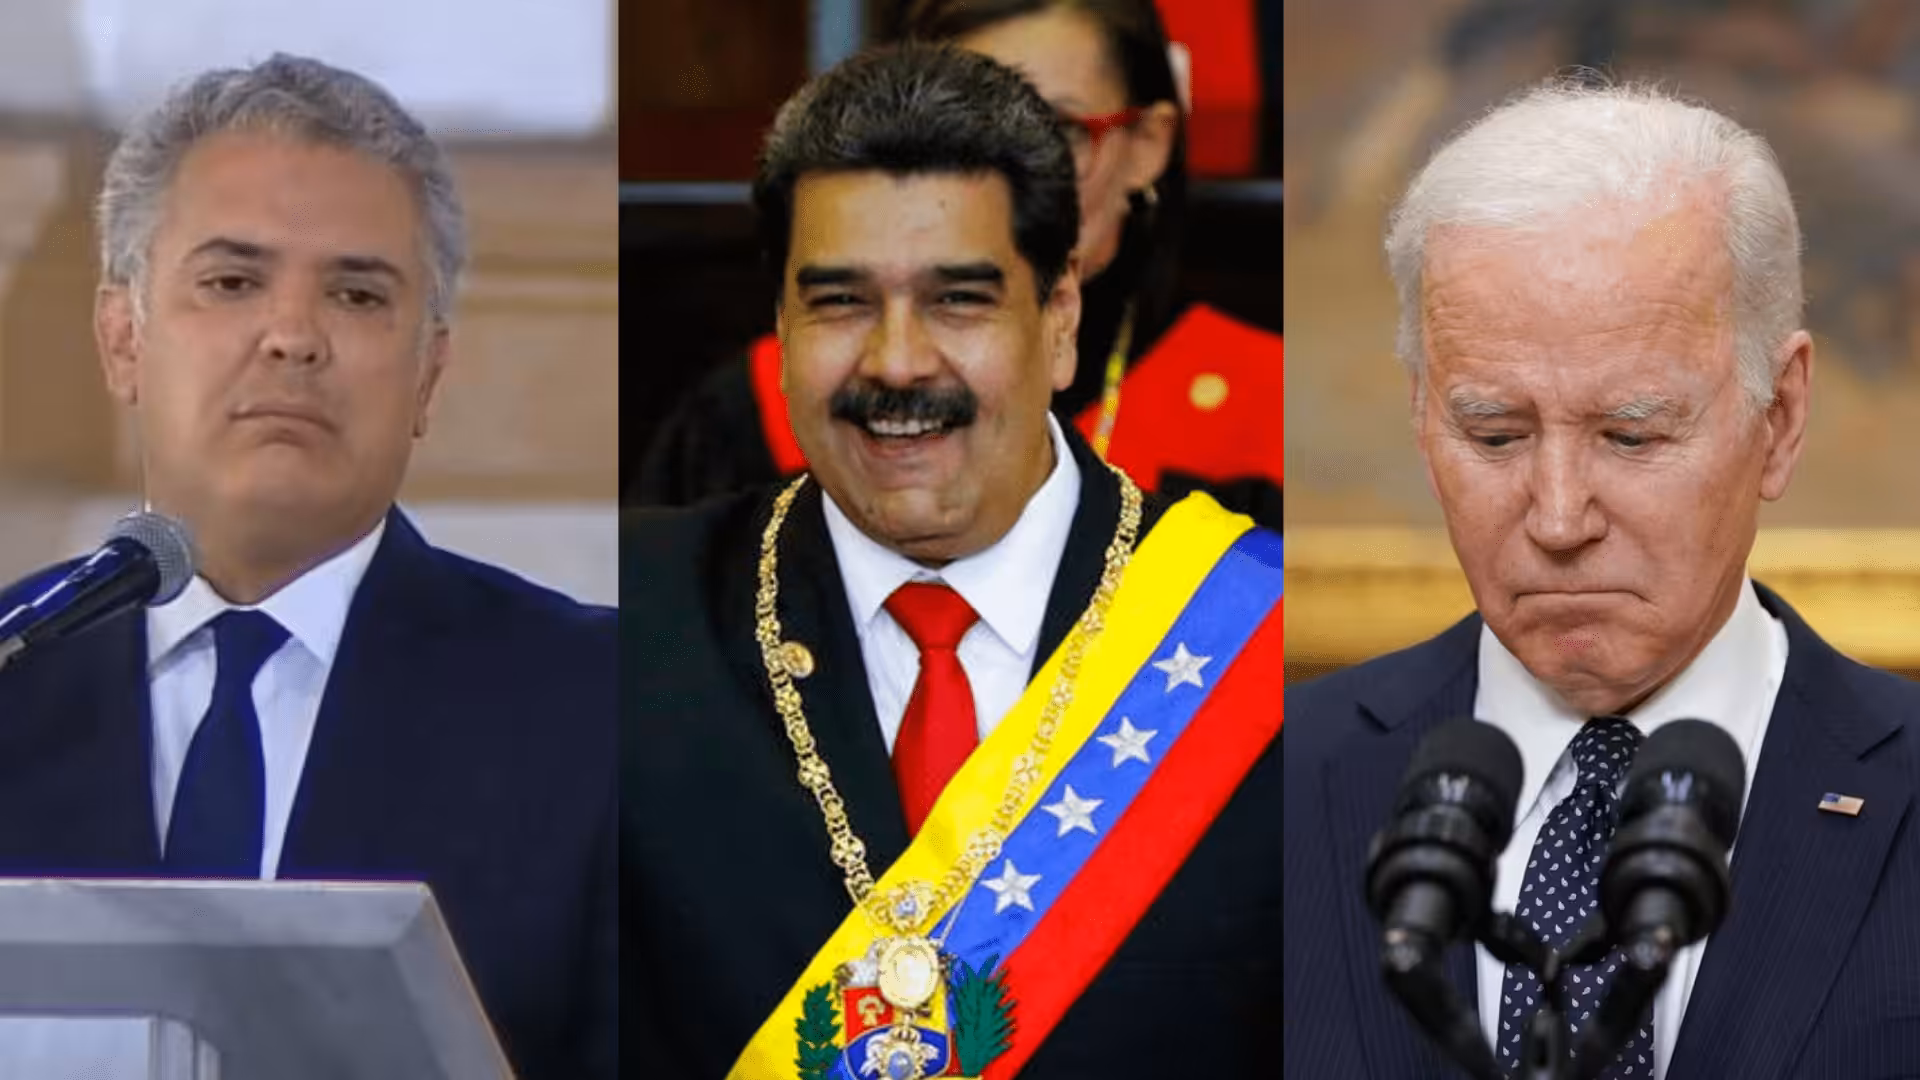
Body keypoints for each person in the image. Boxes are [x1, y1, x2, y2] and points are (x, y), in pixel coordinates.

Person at [622, 43, 1282, 1079]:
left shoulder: (1262, 652)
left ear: (1058, 317)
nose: (895, 361)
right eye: (840, 302)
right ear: (781, 324)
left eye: (958, 300)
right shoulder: (621, 625)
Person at [1285, 79, 1920, 1080]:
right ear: (1421, 418)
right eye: (1493, 434)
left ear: (1781, 416)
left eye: (1632, 435)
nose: (1558, 517)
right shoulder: (1268, 784)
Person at [0, 56, 614, 1080]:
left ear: (428, 371)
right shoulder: (14, 670)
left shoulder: (597, 707)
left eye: (358, 293)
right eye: (232, 282)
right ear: (122, 339)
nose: (292, 337)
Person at [633, 0, 1283, 531]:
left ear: (1146, 145)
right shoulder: (763, 409)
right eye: (958, 133)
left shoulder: (1269, 413)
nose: (1009, 175)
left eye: (1054, 128)